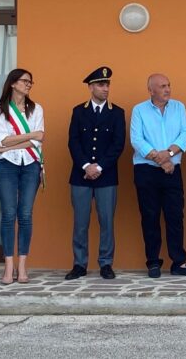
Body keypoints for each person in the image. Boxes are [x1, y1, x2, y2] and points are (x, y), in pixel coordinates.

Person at [130, 73, 186, 278]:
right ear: (151, 90)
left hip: (172, 170)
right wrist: (160, 159)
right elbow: (136, 139)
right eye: (162, 86)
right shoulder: (139, 110)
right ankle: (153, 262)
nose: (167, 89)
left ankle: (179, 262)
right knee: (150, 216)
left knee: (175, 216)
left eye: (168, 85)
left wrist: (169, 154)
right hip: (146, 169)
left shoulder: (179, 107)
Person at [65, 66, 126, 281]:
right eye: (101, 84)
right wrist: (86, 166)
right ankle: (79, 264)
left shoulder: (117, 112)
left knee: (106, 222)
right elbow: (73, 142)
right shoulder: (78, 111)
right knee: (80, 222)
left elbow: (118, 145)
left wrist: (99, 167)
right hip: (80, 176)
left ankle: (106, 263)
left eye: (107, 84)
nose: (106, 88)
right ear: (91, 87)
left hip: (106, 176)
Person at [0, 68, 44, 285]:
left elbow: (39, 140)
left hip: (30, 164)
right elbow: (2, 140)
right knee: (8, 214)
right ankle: (8, 265)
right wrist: (30, 136)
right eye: (24, 81)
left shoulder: (36, 109)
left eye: (31, 82)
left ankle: (22, 266)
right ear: (13, 83)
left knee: (26, 215)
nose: (29, 84)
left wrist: (12, 143)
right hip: (5, 165)